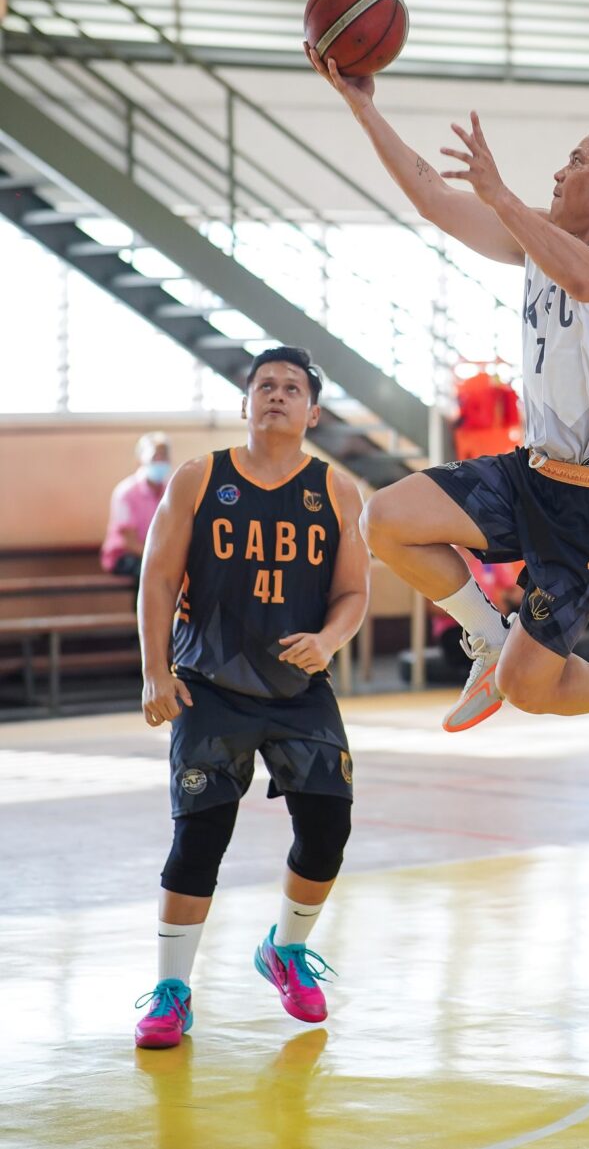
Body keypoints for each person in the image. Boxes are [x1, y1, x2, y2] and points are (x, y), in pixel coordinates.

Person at [306, 46, 589, 753]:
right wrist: (362, 105)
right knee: (385, 519)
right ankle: (484, 634)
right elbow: (434, 200)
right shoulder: (540, 239)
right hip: (530, 473)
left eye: (576, 161)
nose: (560, 171)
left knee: (530, 688)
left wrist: (501, 195)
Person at [133, 346, 369, 1049]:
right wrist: (154, 670)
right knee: (201, 834)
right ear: (244, 404)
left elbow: (356, 593)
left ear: (312, 412)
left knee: (329, 824)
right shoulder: (201, 478)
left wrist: (328, 640)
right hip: (210, 685)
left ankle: (285, 951)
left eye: (292, 387)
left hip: (300, 688)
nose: (276, 394)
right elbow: (155, 577)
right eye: (264, 385)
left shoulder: (336, 490)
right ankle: (171, 991)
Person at [100, 432, 172, 590]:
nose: (160, 461)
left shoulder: (171, 491)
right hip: (125, 556)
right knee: (148, 572)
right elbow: (130, 542)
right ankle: (142, 615)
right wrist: (159, 557)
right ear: (140, 460)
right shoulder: (126, 493)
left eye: (164, 456)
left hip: (158, 554)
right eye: (155, 457)